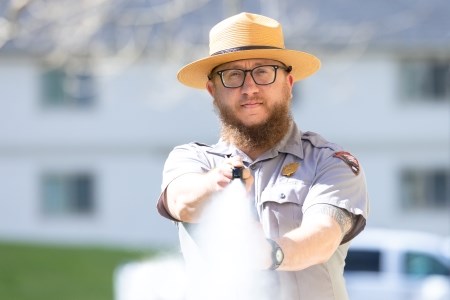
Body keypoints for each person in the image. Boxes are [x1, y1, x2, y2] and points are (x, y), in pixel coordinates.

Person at [157, 12, 369, 300]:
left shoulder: (328, 162)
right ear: (212, 91)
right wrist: (216, 183)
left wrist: (268, 253)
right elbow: (181, 200)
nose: (250, 88)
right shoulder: (193, 160)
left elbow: (322, 236)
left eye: (263, 72)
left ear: (288, 84)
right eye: (232, 75)